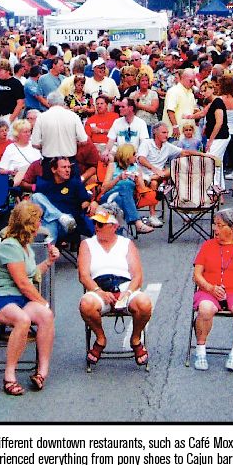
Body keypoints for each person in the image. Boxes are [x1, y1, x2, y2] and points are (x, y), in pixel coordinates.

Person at [0, 201, 58, 396]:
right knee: (23, 320)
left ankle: (42, 372)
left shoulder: (26, 247)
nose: (40, 224)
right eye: (38, 220)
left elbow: (31, 274)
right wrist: (43, 301)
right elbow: (23, 283)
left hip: (20, 299)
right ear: (28, 223)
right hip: (1, 298)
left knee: (46, 316)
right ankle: (9, 375)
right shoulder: (9, 246)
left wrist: (49, 261)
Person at [77, 202, 153, 367]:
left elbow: (137, 275)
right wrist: (99, 291)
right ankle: (100, 338)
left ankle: (135, 338)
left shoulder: (126, 244)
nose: (96, 227)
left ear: (114, 226)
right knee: (86, 304)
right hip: (99, 287)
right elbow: (83, 275)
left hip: (124, 286)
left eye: (100, 224)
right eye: (95, 223)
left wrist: (128, 293)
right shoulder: (87, 244)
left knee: (144, 303)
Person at [191, 208, 233, 371]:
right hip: (208, 291)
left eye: (219, 225)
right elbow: (196, 275)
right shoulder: (208, 245)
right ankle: (200, 351)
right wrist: (210, 288)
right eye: (214, 224)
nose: (215, 229)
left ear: (232, 227)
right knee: (205, 309)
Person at [32, 156, 96, 243]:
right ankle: (60, 217)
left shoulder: (75, 184)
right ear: (54, 170)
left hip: (69, 224)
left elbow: (85, 201)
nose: (68, 170)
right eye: (64, 167)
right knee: (36, 197)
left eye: (69, 167)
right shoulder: (45, 185)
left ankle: (48, 250)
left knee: (52, 222)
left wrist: (88, 205)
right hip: (49, 221)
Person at [31, 92, 87, 160]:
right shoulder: (73, 116)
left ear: (48, 103)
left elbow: (35, 144)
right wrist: (72, 144)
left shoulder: (41, 117)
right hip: (69, 159)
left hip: (49, 159)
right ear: (63, 102)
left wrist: (46, 146)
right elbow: (84, 141)